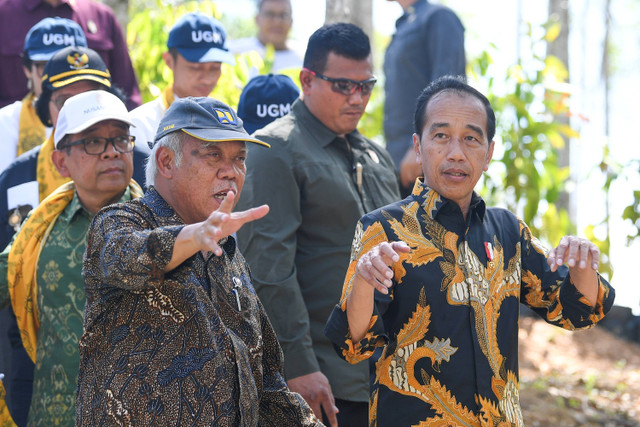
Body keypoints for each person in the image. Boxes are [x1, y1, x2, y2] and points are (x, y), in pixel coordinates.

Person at [324, 76, 615, 426]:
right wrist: (364, 281)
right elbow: (353, 345)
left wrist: (582, 265)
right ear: (418, 146)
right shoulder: (384, 228)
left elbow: (575, 312)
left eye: (471, 139)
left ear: (489, 153)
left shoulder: (508, 231)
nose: (456, 153)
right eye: (441, 136)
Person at [75, 96, 322, 426]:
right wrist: (193, 236)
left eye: (240, 159)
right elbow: (124, 257)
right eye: (213, 155)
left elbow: (265, 384)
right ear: (165, 162)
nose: (231, 172)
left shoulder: (227, 255)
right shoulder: (120, 222)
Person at [235, 23, 400, 427]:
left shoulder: (374, 154)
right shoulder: (275, 149)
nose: (357, 98)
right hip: (324, 380)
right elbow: (269, 270)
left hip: (389, 379)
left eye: (366, 86)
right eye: (343, 85)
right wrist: (298, 366)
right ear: (307, 80)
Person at [0, 90, 143, 427]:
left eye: (121, 140)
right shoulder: (37, 233)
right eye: (93, 142)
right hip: (57, 416)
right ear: (61, 161)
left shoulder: (164, 223)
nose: (111, 151)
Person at [0, 46, 149, 251]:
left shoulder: (147, 167)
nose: (83, 111)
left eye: (93, 99)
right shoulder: (15, 178)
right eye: (67, 101)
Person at [384, 0, 466, 196]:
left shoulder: (438, 17)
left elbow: (449, 91)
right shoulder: (404, 24)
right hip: (399, 162)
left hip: (426, 163)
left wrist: (421, 148)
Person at [0, 0, 141, 110]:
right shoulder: (4, 15)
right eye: (42, 65)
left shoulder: (101, 16)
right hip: (16, 137)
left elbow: (127, 93)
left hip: (94, 133)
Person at [129, 12, 235, 150]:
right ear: (169, 61)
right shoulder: (139, 126)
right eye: (196, 68)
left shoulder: (230, 123)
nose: (208, 78)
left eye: (215, 68)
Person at [0, 17, 87, 174]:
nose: (56, 77)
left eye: (67, 66)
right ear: (27, 69)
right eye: (45, 66)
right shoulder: (5, 123)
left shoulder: (107, 121)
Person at [228, 0, 303, 72]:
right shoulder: (235, 52)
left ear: (291, 21)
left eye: (283, 15)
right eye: (270, 14)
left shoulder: (304, 60)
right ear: (257, 19)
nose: (277, 22)